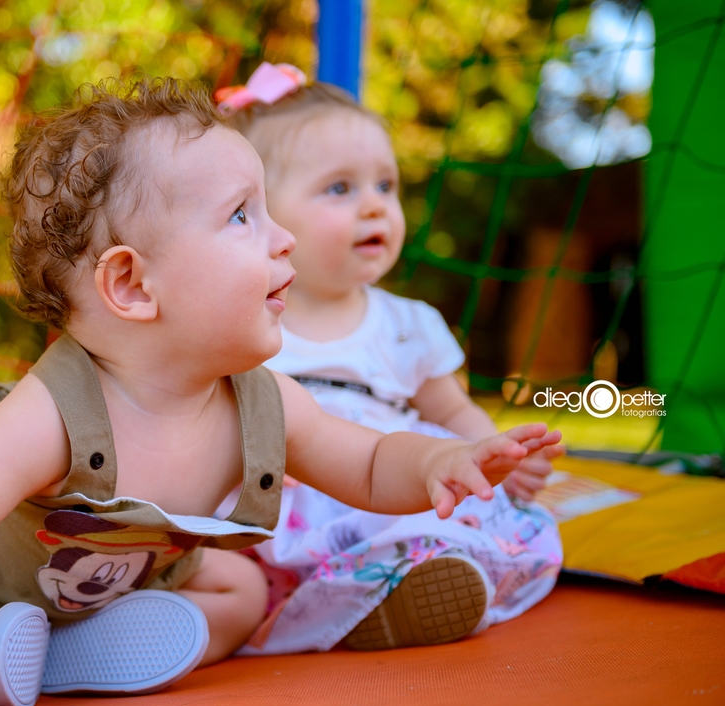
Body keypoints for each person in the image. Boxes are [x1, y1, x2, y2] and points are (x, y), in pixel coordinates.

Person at [0, 76, 561, 706]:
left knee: (242, 589)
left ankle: (65, 656)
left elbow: (364, 461)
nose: (283, 239)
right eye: (242, 215)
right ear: (132, 285)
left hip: (116, 588)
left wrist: (440, 459)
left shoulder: (259, 400)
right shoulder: (55, 410)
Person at [219, 64, 566, 655]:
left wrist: (492, 460)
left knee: (437, 521)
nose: (376, 207)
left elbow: (452, 412)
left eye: (386, 186)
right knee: (232, 565)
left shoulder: (408, 326)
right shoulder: (240, 323)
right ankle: (327, 606)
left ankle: (400, 590)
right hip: (285, 502)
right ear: (262, 215)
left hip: (388, 484)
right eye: (340, 188)